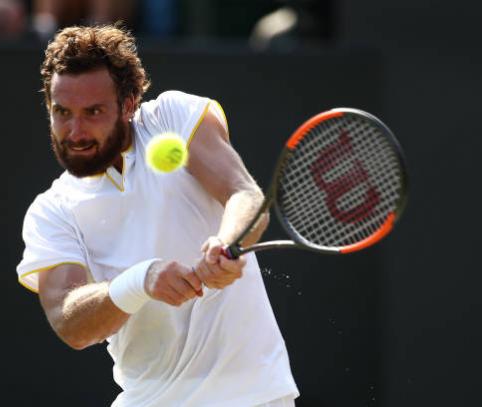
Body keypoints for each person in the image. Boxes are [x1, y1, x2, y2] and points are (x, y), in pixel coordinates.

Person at [16, 24, 299, 406]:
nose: (75, 130)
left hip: (251, 396)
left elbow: (244, 194)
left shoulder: (172, 117)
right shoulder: (51, 211)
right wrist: (140, 281)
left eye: (93, 112)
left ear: (129, 103)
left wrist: (227, 244)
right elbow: (70, 323)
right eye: (62, 112)